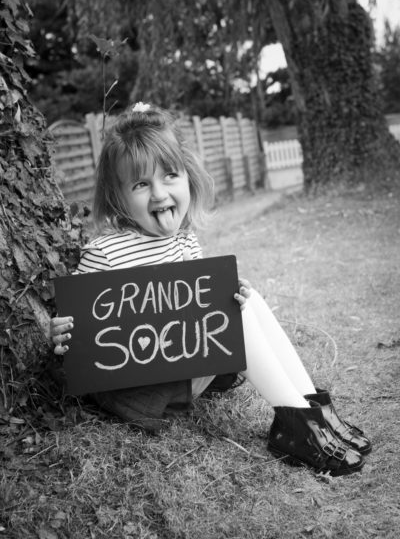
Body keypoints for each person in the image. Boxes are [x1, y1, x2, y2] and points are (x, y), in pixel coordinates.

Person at [50, 102, 371, 477]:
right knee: (234, 313)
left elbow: (200, 311)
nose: (158, 193)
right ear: (118, 196)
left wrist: (230, 295)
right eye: (140, 184)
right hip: (139, 388)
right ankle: (298, 428)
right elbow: (80, 332)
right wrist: (62, 334)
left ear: (187, 177)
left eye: (169, 176)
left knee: (246, 301)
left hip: (184, 365)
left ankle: (315, 411)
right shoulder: (105, 251)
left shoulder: (185, 242)